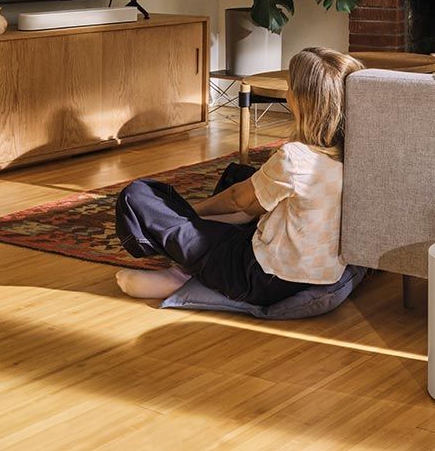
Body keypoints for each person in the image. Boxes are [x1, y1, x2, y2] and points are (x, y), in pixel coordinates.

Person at [113, 47, 364, 303]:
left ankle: (183, 270)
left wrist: (188, 214)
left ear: (301, 99)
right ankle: (191, 261)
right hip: (319, 271)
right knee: (238, 175)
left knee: (137, 195)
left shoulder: (295, 157)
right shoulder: (360, 155)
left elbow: (237, 200)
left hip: (262, 277)